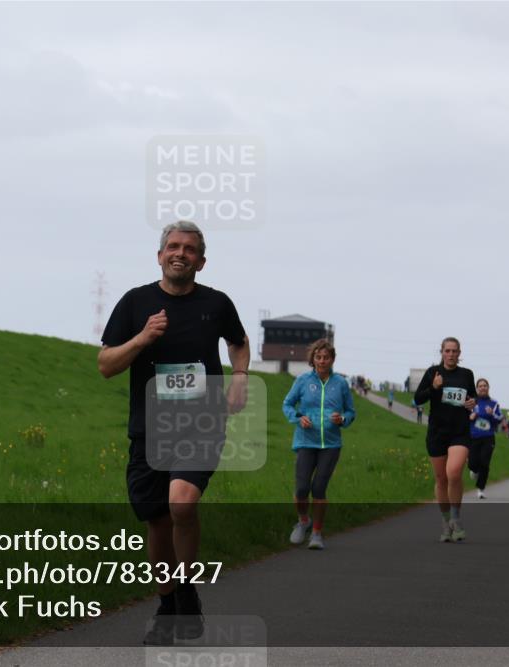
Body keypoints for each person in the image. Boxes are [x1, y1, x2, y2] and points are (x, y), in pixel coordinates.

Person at [98, 221, 249, 644]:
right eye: (173, 246)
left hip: (202, 424)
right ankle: (171, 603)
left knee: (181, 503)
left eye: (189, 249)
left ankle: (183, 591)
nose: (180, 253)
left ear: (201, 261)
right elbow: (106, 365)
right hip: (150, 430)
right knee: (158, 522)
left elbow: (238, 341)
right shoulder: (136, 302)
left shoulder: (216, 303)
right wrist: (142, 338)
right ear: (160, 255)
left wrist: (240, 376)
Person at [282, 339, 356, 550]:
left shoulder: (340, 383)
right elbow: (287, 404)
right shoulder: (303, 381)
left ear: (332, 360)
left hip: (330, 445)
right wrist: (298, 418)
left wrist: (342, 419)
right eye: (318, 357)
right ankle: (303, 521)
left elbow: (351, 411)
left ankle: (316, 533)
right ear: (313, 359)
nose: (322, 361)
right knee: (302, 489)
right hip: (306, 441)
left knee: (319, 488)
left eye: (326, 358)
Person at [413, 337, 476, 542]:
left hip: (460, 431)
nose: (451, 354)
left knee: (454, 473)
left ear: (459, 353)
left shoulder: (467, 374)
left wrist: (472, 403)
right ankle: (445, 521)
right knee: (441, 479)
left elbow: (472, 398)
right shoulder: (433, 372)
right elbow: (418, 399)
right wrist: (434, 387)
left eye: (454, 351)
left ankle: (456, 519)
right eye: (447, 351)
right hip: (437, 432)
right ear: (441, 352)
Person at [467, 378, 502, 499]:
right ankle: (475, 471)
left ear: (488, 387)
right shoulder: (472, 402)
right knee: (472, 464)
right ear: (477, 389)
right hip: (473, 437)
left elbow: (499, 419)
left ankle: (481, 489)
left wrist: (492, 414)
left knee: (484, 463)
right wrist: (470, 417)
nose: (483, 388)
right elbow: (462, 417)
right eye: (480, 386)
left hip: (488, 438)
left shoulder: (494, 403)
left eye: (485, 385)